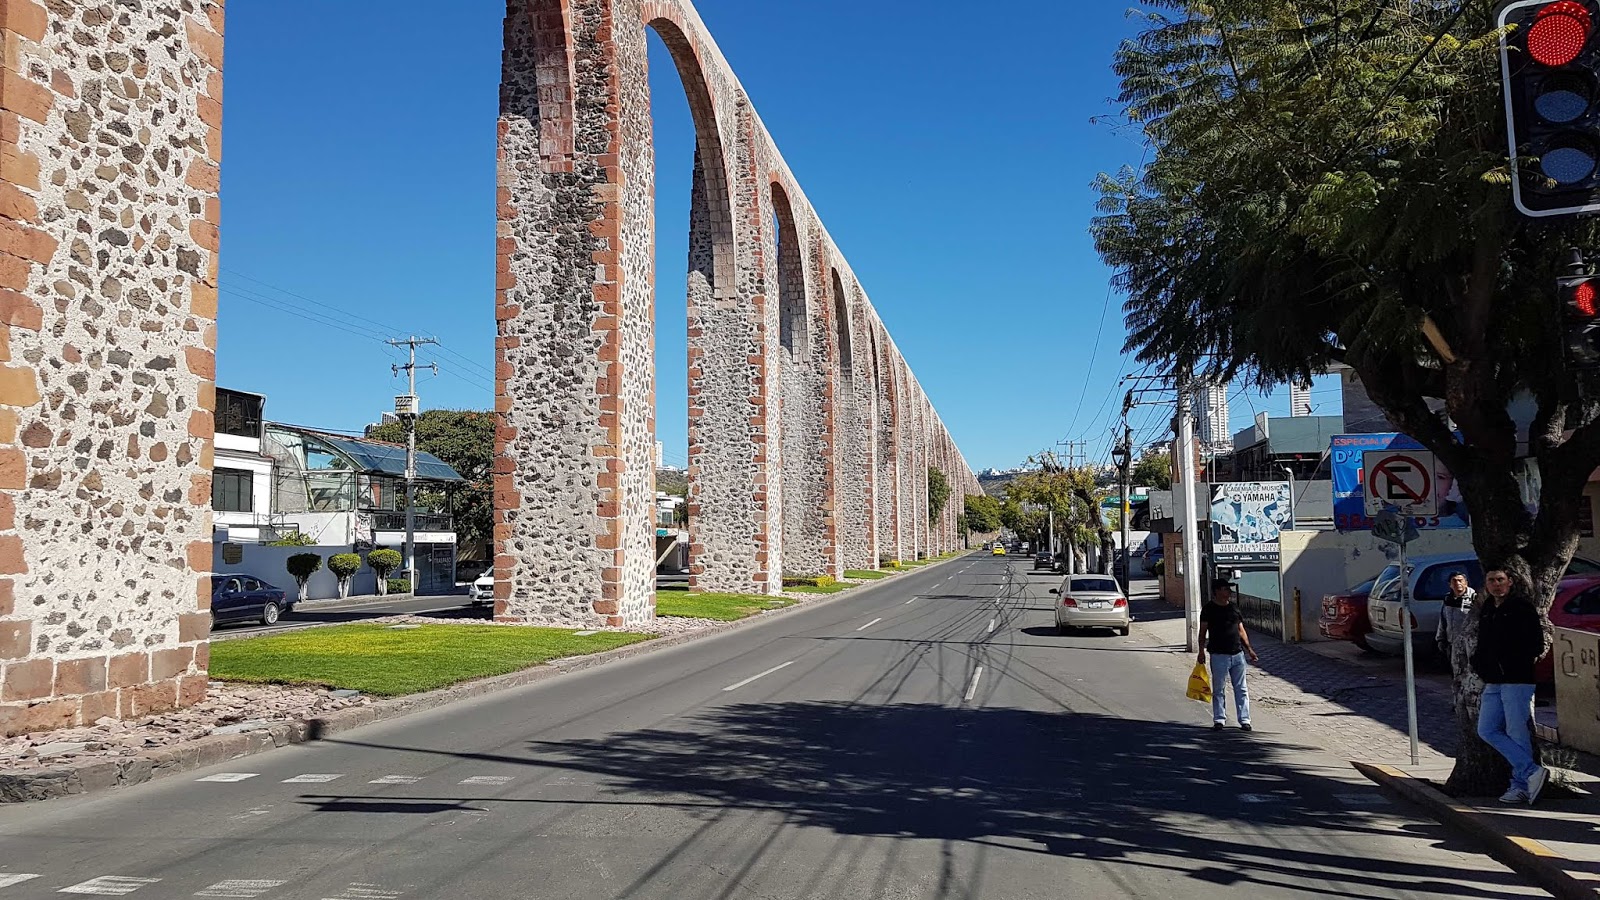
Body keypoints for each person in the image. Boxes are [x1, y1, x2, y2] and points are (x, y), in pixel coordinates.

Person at [1471, 568, 1552, 805]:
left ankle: (1520, 786)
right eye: (1491, 580)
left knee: (1517, 732)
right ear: (1486, 584)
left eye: (1500, 580)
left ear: (1510, 582)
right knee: (1487, 729)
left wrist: (1512, 661)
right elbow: (1483, 643)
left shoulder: (1521, 608)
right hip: (1493, 680)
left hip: (1517, 680)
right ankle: (1531, 772)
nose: (1496, 584)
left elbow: (1536, 644)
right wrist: (1481, 665)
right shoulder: (1488, 608)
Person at [1197, 577, 1259, 731]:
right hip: (1218, 655)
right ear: (1217, 591)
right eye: (1225, 589)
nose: (1228, 592)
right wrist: (1201, 651)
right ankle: (1219, 719)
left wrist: (1249, 649)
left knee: (1241, 688)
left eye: (1228, 589)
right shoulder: (1209, 609)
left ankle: (1245, 720)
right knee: (1219, 689)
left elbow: (1241, 630)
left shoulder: (1234, 608)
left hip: (1237, 654)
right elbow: (1202, 632)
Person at [1435, 571, 1476, 672]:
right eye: (1454, 581)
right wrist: (1440, 639)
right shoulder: (1448, 599)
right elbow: (1443, 621)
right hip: (1453, 644)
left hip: (1470, 645)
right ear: (1450, 584)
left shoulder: (1474, 599)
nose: (1458, 583)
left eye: (1460, 580)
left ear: (1466, 583)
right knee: (1457, 673)